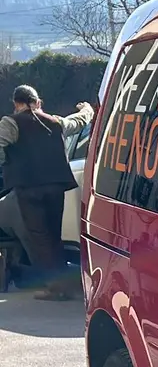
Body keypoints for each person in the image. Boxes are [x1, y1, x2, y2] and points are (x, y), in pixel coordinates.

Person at [0, 86, 93, 300]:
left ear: (16, 103)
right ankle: (62, 283)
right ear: (38, 102)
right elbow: (78, 121)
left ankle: (56, 288)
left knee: (40, 240)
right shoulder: (55, 122)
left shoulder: (11, 122)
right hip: (56, 187)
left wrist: (7, 164)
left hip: (29, 189)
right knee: (54, 236)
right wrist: (87, 109)